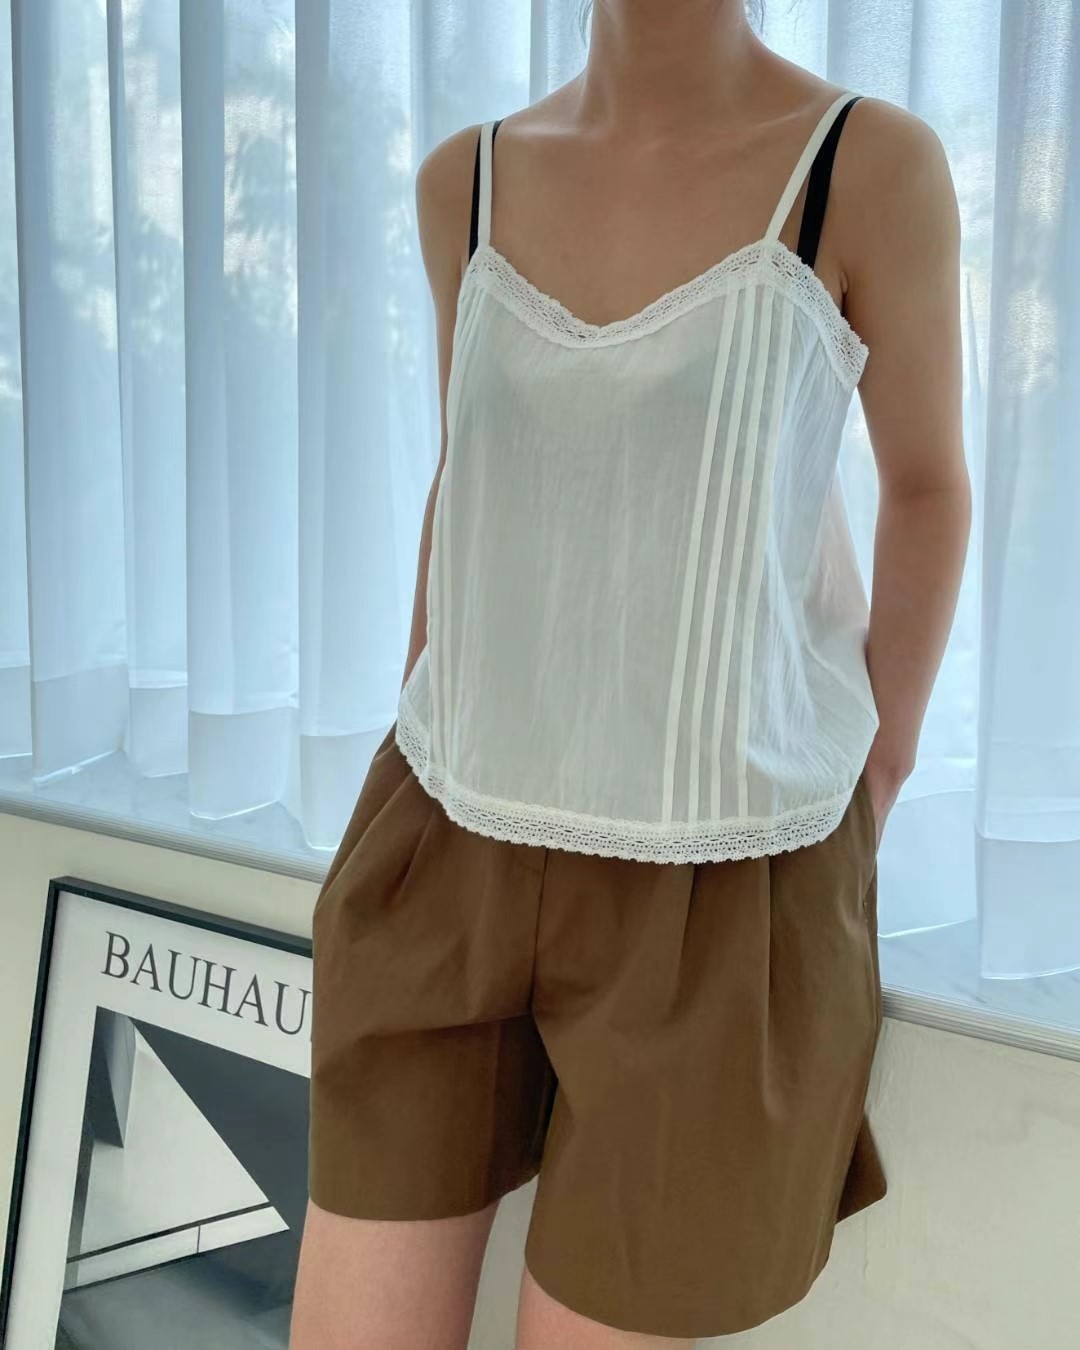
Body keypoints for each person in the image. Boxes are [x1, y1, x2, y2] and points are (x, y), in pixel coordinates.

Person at [291, 1, 969, 1346]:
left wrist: (875, 780)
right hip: (447, 847)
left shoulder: (865, 168)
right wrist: (422, 714)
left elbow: (929, 487)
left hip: (719, 879)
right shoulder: (466, 180)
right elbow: (466, 480)